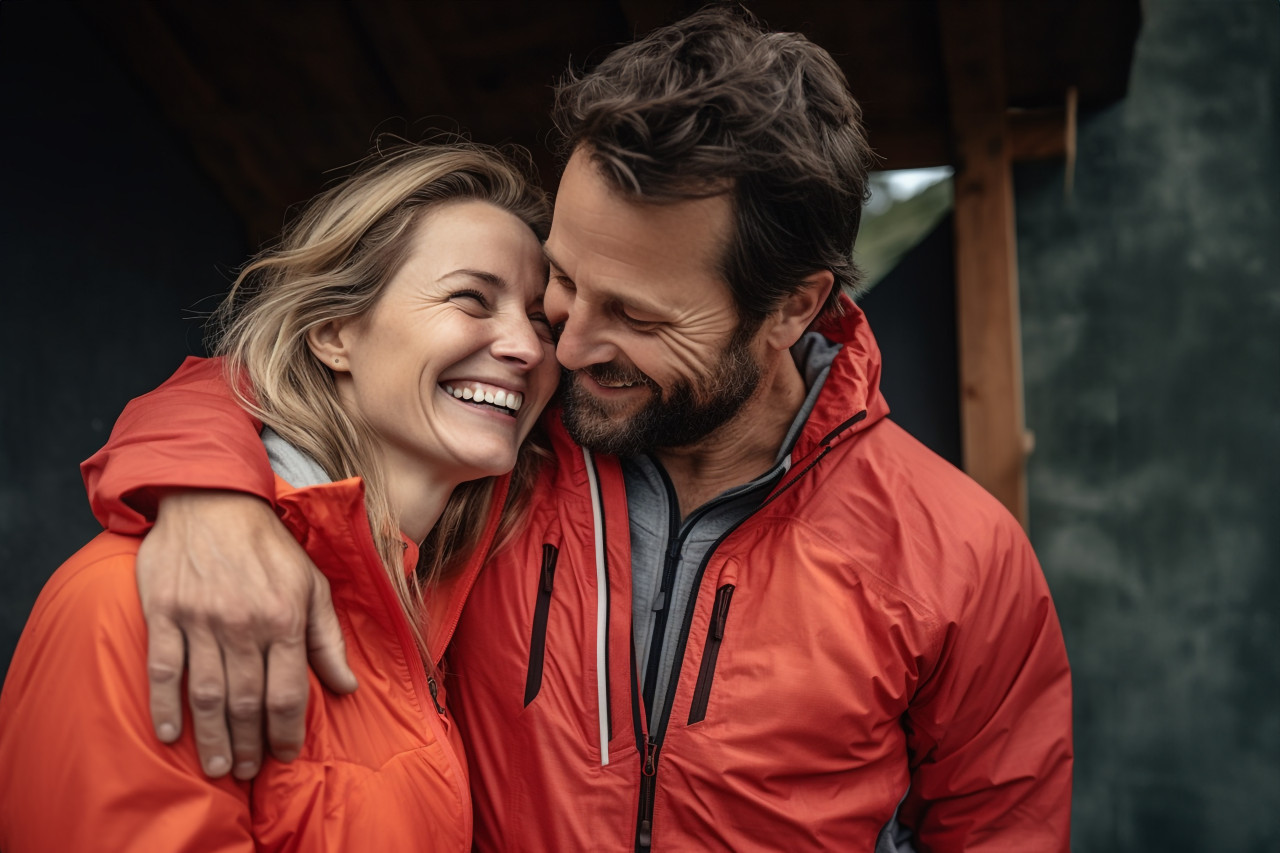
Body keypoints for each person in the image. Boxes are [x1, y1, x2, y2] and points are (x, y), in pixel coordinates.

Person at [74, 8, 1073, 851]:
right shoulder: (496, 446)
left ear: (790, 308)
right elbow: (274, 378)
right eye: (563, 276)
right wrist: (209, 491)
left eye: (637, 315)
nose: (566, 339)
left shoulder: (961, 557)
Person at [0, 142, 561, 851]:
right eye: (470, 299)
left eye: (542, 320)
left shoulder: (434, 611)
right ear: (333, 332)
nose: (526, 347)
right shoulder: (151, 602)